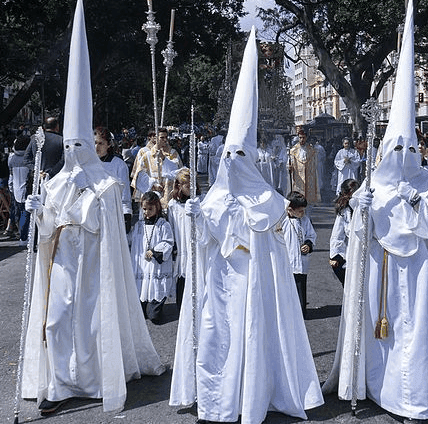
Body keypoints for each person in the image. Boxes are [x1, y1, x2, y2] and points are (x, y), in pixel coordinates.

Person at [169, 27, 323, 424]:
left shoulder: (268, 199)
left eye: (242, 153)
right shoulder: (214, 197)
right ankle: (215, 398)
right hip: (220, 285)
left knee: (251, 335)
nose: (235, 160)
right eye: (230, 154)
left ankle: (254, 392)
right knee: (218, 336)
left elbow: (273, 233)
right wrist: (193, 217)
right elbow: (202, 242)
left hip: (252, 285)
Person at [21, 0, 164, 416]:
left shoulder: (105, 185)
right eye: (71, 144)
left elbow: (104, 224)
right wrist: (39, 211)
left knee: (93, 322)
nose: (77, 150)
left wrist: (85, 206)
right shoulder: (56, 180)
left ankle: (99, 378)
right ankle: (60, 383)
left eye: (83, 144)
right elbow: (50, 225)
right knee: (57, 321)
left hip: (95, 268)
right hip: (63, 264)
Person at [323, 0, 428, 421]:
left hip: (417, 272)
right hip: (380, 273)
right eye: (394, 146)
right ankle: (374, 386)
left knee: (413, 332)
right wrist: (361, 210)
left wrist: (426, 205)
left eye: (409, 146)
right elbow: (358, 236)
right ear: (384, 149)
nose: (402, 153)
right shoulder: (372, 184)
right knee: (380, 332)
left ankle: (412, 397)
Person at [130, 191, 174, 323]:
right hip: (143, 267)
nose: (146, 212)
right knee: (141, 314)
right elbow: (133, 243)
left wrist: (155, 251)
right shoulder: (138, 226)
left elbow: (168, 242)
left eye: (150, 209)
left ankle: (157, 305)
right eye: (144, 209)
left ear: (157, 208)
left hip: (156, 266)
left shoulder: (163, 225)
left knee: (154, 317)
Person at [281, 190, 316, 316]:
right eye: (300, 211)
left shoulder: (305, 220)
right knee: (286, 288)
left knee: (300, 287)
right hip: (287, 261)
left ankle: (301, 312)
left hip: (301, 261)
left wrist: (308, 244)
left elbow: (311, 235)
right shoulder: (282, 221)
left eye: (304, 210)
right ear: (290, 209)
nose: (303, 213)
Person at [167, 168, 197, 314]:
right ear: (179, 186)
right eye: (187, 185)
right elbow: (172, 226)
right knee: (182, 279)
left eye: (193, 184)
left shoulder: (199, 201)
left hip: (196, 247)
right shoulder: (173, 205)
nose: (191, 187)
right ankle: (181, 310)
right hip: (182, 248)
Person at [132, 127, 183, 211]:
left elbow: (178, 171)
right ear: (155, 138)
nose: (165, 140)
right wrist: (152, 184)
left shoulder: (173, 153)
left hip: (168, 193)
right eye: (162, 137)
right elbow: (139, 175)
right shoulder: (146, 154)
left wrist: (164, 159)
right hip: (151, 193)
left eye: (166, 137)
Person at [95, 126, 132, 232]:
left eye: (101, 143)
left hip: (111, 214)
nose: (96, 146)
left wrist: (126, 214)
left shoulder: (118, 165)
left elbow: (124, 193)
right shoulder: (87, 164)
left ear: (109, 144)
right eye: (95, 143)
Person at [329, 178, 360, 286]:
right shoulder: (344, 211)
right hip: (351, 252)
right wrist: (336, 255)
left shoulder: (364, 208)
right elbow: (337, 234)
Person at [8, 135, 31, 245]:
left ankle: (23, 237)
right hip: (27, 188)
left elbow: (11, 176)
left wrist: (11, 188)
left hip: (16, 189)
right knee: (26, 214)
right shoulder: (29, 159)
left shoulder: (12, 158)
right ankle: (24, 237)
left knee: (21, 213)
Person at [289, 129, 320, 205]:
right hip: (298, 176)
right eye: (300, 137)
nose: (302, 140)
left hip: (309, 175)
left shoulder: (311, 149)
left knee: (309, 202)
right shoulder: (294, 150)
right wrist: (290, 168)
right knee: (299, 197)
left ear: (306, 138)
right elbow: (291, 162)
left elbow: (314, 163)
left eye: (303, 137)